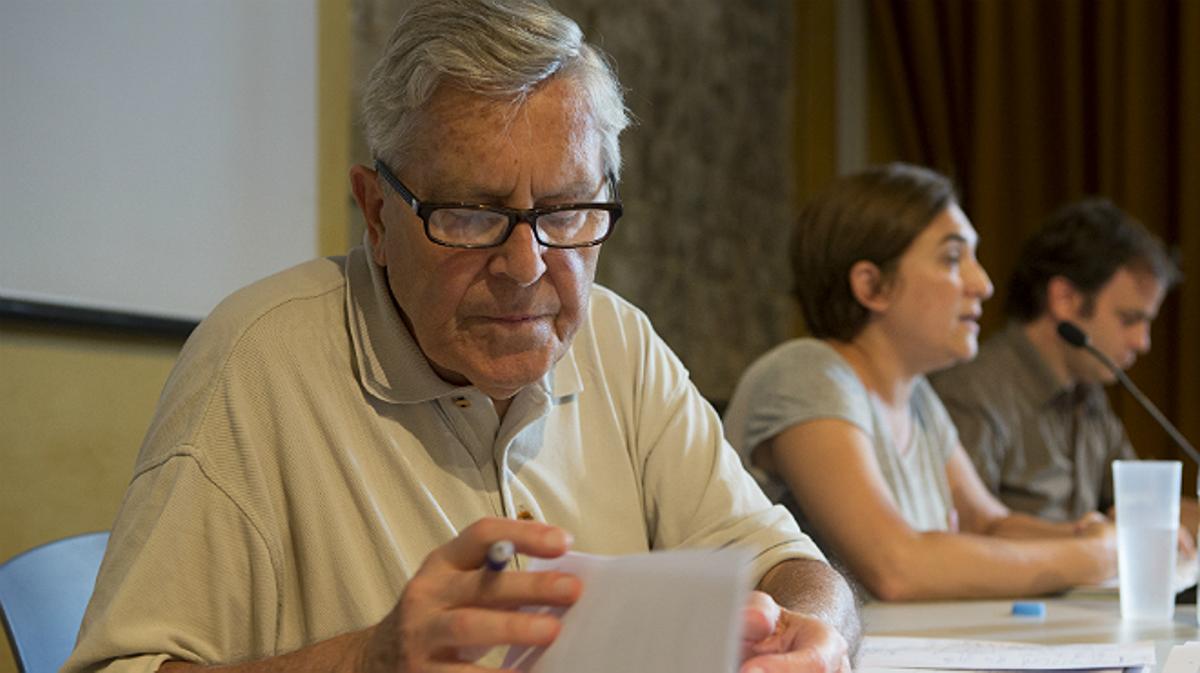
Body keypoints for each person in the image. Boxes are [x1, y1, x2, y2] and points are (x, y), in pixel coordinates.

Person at [63, 2, 859, 672]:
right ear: (377, 214)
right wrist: (367, 660)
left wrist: (815, 635)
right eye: (472, 215)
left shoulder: (619, 340)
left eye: (566, 211)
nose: (526, 266)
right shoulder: (255, 359)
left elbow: (787, 563)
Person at [723, 164, 1117, 601]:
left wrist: (1088, 534)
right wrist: (1093, 556)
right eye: (952, 258)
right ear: (872, 286)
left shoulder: (918, 397)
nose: (982, 284)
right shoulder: (803, 374)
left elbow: (987, 523)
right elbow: (896, 566)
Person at [929, 199, 1196, 541]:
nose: (1142, 342)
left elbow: (1143, 507)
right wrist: (1097, 546)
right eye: (1129, 320)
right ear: (1065, 299)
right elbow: (970, 534)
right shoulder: (971, 390)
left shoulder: (1087, 390)